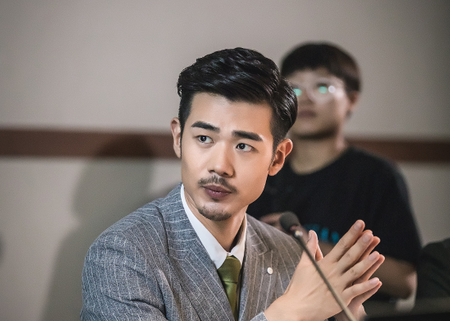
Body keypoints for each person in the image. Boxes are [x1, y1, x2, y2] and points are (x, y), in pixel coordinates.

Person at [81, 47, 385, 321]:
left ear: (277, 158)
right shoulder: (123, 253)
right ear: (178, 138)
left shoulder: (292, 256)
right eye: (204, 138)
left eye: (243, 146)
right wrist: (287, 314)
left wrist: (346, 317)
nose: (220, 166)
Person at [247, 42, 421, 304]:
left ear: (352, 100)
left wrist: (306, 247)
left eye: (322, 87)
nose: (306, 98)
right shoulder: (263, 171)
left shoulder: (376, 176)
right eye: (294, 88)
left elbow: (405, 282)